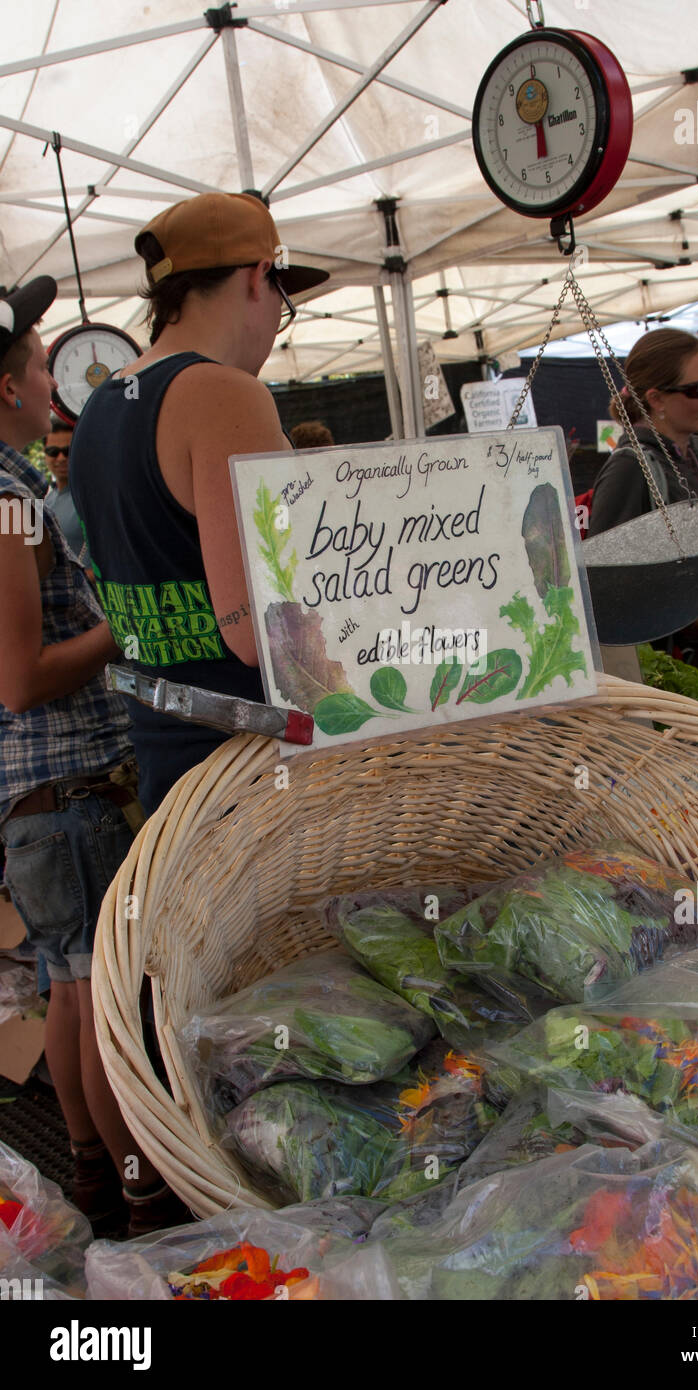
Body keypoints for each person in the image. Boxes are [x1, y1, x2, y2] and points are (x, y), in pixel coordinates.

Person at [0, 277, 184, 1235]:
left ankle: (100, 1188)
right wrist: (122, 630)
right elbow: (21, 676)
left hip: (45, 800)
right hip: (62, 789)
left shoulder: (22, 497)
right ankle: (141, 1195)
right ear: (9, 388)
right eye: (38, 362)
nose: (49, 378)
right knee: (94, 1000)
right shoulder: (6, 506)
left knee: (72, 990)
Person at [69, 192, 328, 815]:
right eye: (282, 301)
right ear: (258, 276)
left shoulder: (99, 409)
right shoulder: (223, 394)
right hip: (255, 779)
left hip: (169, 773)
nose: (275, 322)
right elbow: (260, 630)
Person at [587, 328, 698, 640]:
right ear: (656, 399)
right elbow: (605, 586)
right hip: (672, 662)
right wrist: (695, 614)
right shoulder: (630, 468)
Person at [43, 414, 91, 571]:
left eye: (67, 451)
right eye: (53, 451)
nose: (61, 458)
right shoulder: (45, 499)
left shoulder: (93, 498)